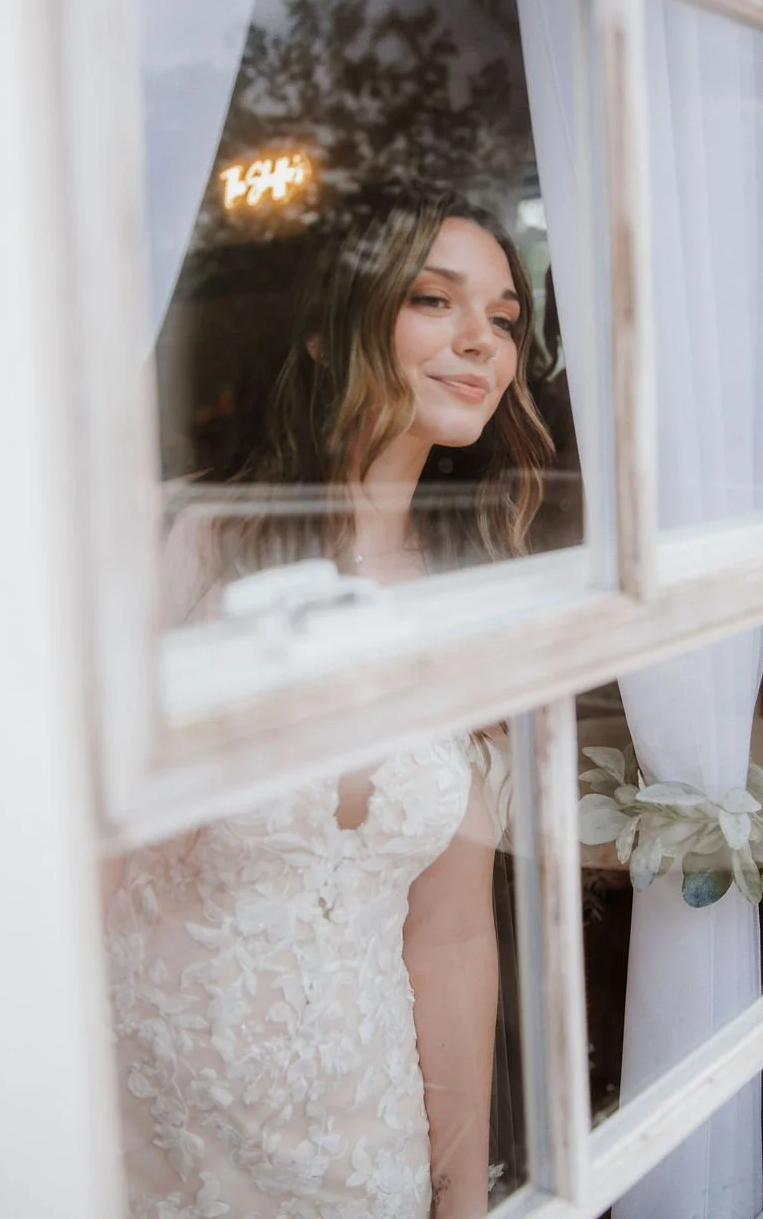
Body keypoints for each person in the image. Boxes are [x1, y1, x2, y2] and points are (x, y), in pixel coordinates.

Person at [104, 186, 554, 1219]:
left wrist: (459, 1197)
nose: (479, 342)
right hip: (148, 1112)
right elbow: (89, 848)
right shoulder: (199, 544)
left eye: (501, 319)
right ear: (325, 332)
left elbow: (448, 936)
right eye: (433, 301)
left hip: (361, 1131)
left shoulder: (472, 591)